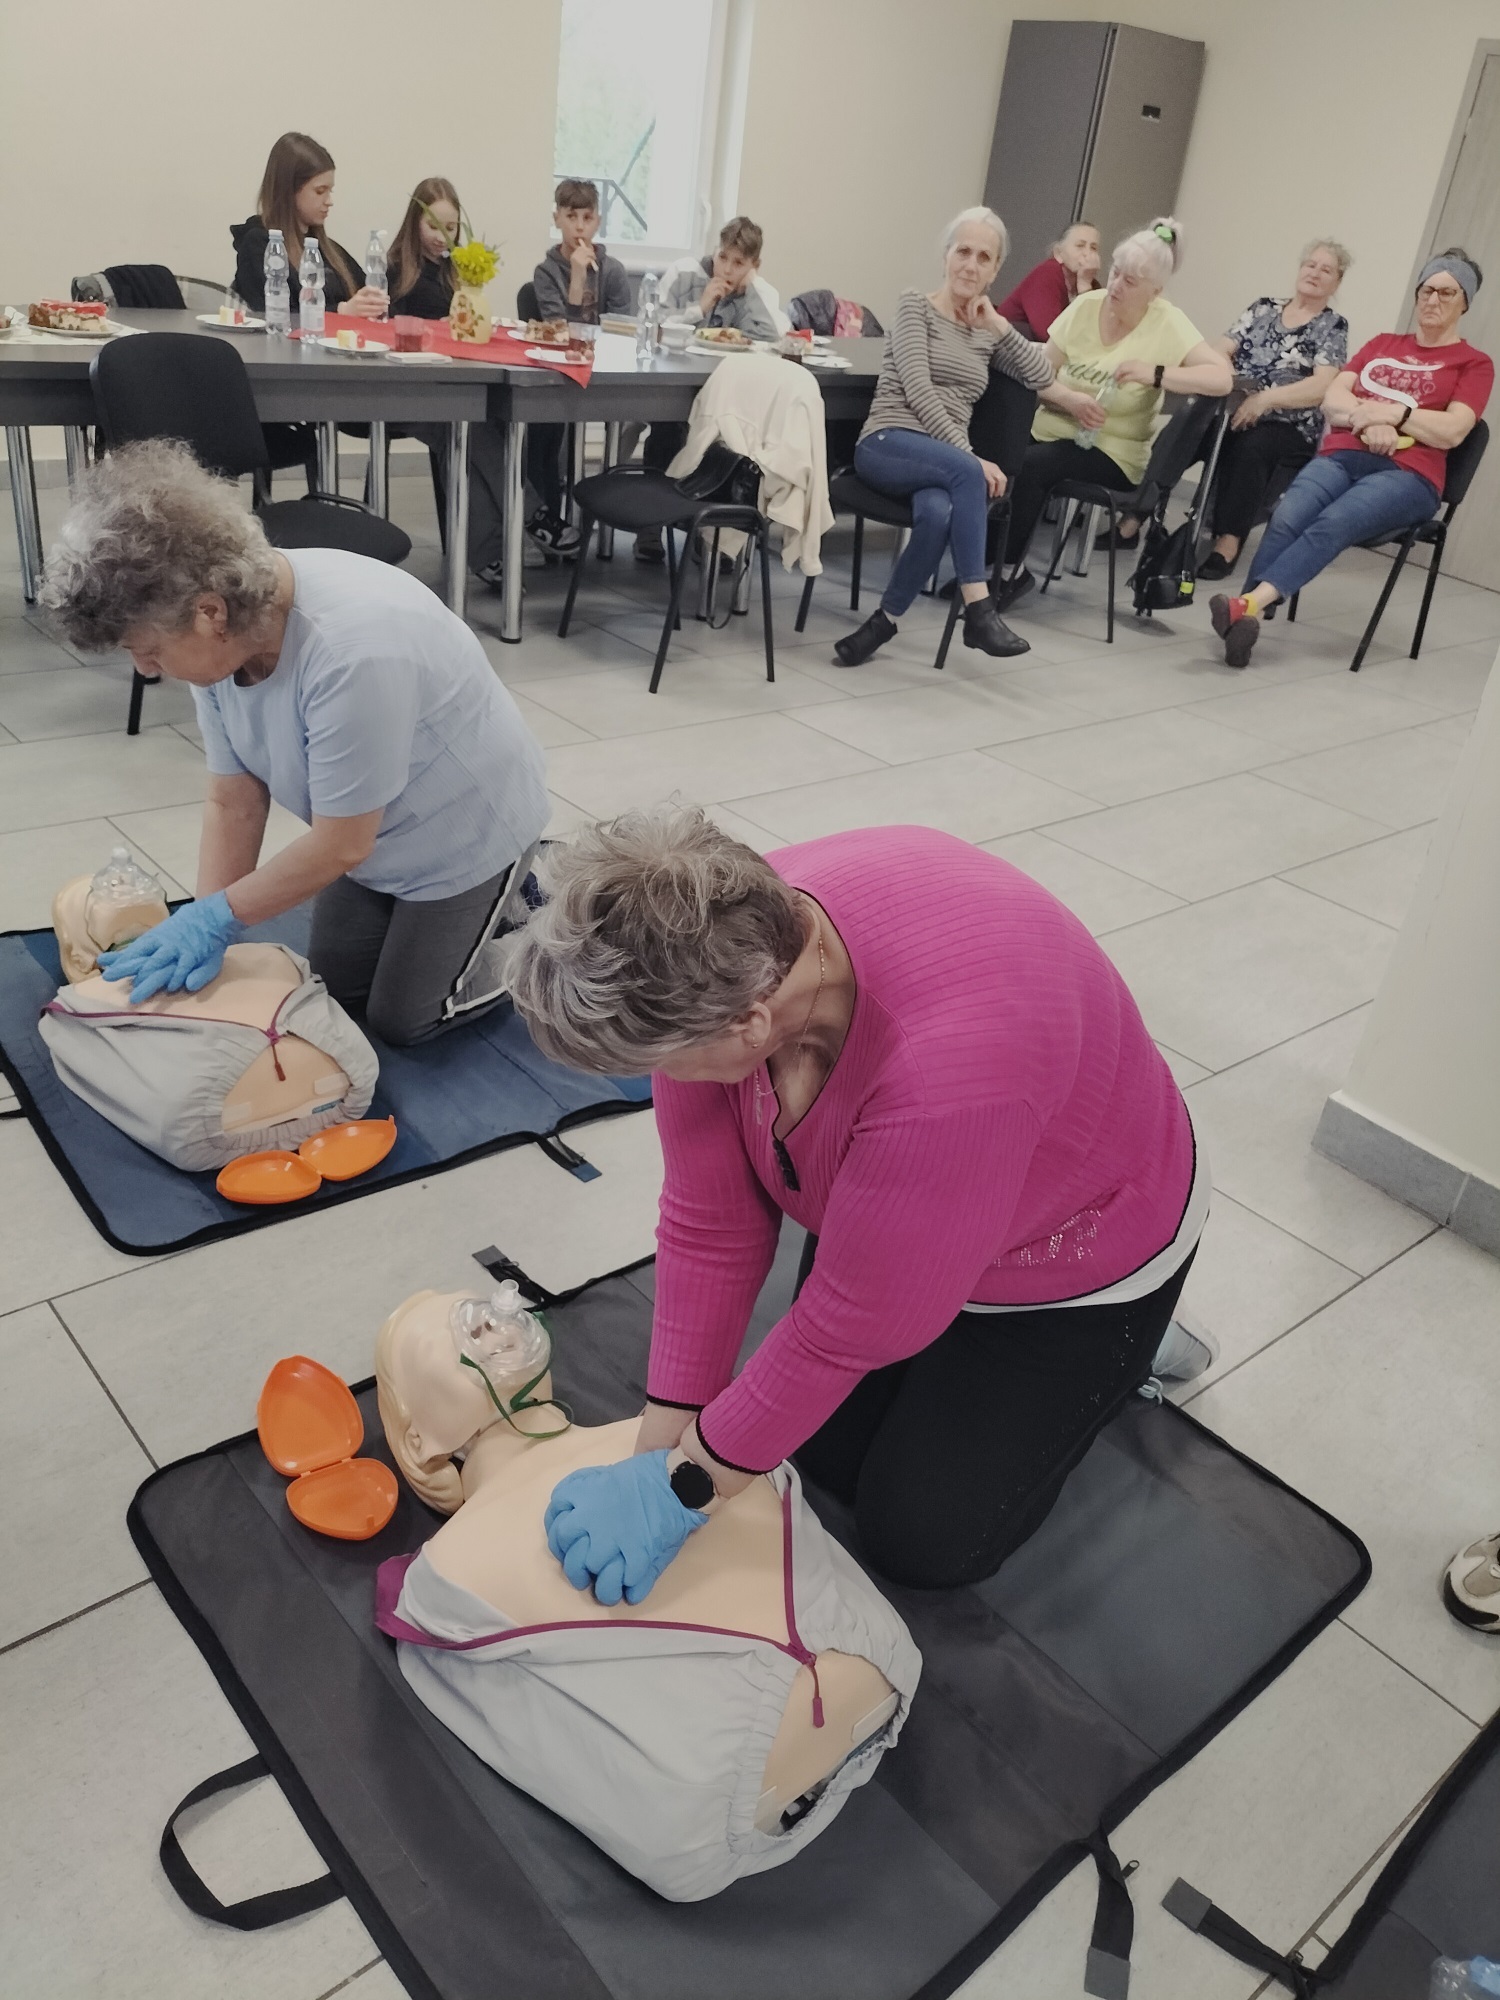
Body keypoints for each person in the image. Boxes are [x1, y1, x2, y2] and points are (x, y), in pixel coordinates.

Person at [506, 806, 1214, 1597]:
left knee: (923, 1540)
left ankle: (1132, 1343)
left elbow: (849, 1329)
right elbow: (712, 1226)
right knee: (821, 1457)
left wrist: (685, 1492)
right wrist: (659, 1448)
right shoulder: (711, 944)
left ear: (750, 1025)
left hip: (1077, 1249)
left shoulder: (946, 1080)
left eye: (663, 1066)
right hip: (908, 1212)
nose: (658, 1083)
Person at [39, 442, 549, 1047]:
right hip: (374, 837)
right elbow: (235, 800)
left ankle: (537, 917)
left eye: (147, 649)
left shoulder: (351, 652)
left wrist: (217, 917)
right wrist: (211, 925)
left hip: (465, 839)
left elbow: (341, 845)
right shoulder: (224, 633)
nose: (147, 669)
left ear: (209, 613)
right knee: (337, 990)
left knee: (405, 1019)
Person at [1210, 249, 1493, 669]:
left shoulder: (1474, 364)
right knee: (1288, 513)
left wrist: (1395, 415)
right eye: (1427, 290)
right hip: (1345, 453)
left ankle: (1246, 607)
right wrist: (1366, 419)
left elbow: (1453, 429)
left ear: (1465, 302)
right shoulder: (1384, 344)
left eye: (1447, 293)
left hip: (1410, 475)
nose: (1433, 300)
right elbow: (1334, 397)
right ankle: (1249, 615)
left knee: (1334, 521)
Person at [832, 207, 1054, 667]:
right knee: (967, 473)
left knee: (936, 514)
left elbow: (1040, 373)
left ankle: (882, 625)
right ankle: (979, 609)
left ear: (995, 271)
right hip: (887, 442)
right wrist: (970, 457)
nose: (971, 265)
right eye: (963, 252)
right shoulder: (915, 305)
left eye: (984, 258)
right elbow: (917, 389)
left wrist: (997, 325)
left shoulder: (988, 332)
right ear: (947, 256)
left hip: (938, 461)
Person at [994, 218, 1232, 609]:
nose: (1116, 286)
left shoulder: (1167, 322)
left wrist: (1155, 374)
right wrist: (1069, 400)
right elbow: (1041, 373)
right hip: (1054, 426)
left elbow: (1221, 379)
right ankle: (980, 569)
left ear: (1155, 291)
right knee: (997, 453)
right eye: (1115, 273)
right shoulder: (1087, 305)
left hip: (1113, 452)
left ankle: (1005, 575)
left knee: (1031, 465)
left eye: (1130, 282)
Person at [384, 177, 515, 592]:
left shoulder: (457, 272)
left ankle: (491, 549)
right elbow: (388, 332)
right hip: (405, 390)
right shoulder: (395, 270)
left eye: (452, 227)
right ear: (414, 223)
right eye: (434, 226)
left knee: (478, 420)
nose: (444, 237)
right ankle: (527, 516)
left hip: (451, 385)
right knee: (465, 426)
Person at [1196, 242, 1351, 581]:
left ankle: (1228, 542)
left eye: (1325, 269)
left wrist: (1266, 400)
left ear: (1337, 282)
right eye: (1310, 264)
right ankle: (1138, 515)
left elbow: (1323, 385)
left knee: (1251, 446)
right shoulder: (1263, 308)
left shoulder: (1332, 326)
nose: (1314, 272)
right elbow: (1218, 350)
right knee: (1191, 424)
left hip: (1289, 424)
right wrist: (1225, 373)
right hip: (1236, 407)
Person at [635, 217, 779, 564]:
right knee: (668, 430)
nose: (727, 269)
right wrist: (699, 307)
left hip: (725, 392)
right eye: (723, 257)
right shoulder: (685, 273)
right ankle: (651, 525)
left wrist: (750, 289)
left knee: (735, 441)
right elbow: (649, 321)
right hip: (673, 382)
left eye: (739, 263)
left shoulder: (758, 293)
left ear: (754, 266)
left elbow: (773, 337)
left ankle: (712, 534)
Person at [525, 179, 633, 560]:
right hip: (557, 380)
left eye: (587, 218)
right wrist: (575, 278)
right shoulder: (545, 272)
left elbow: (623, 331)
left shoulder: (614, 271)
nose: (579, 227)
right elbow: (559, 333)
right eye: (571, 217)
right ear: (557, 218)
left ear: (597, 222)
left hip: (606, 376)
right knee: (545, 437)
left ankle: (626, 520)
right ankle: (549, 521)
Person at [230, 133, 388, 319]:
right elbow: (273, 316)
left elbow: (363, 292)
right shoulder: (259, 246)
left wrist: (372, 303)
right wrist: (342, 311)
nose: (329, 201)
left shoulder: (329, 250)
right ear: (289, 191)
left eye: (330, 191)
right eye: (320, 191)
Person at [994, 221, 1101, 341]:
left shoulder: (1092, 285)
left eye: (1093, 248)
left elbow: (1094, 339)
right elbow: (1048, 335)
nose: (1087, 253)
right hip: (1002, 346)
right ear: (1058, 253)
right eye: (1080, 246)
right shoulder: (1048, 273)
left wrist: (1084, 285)